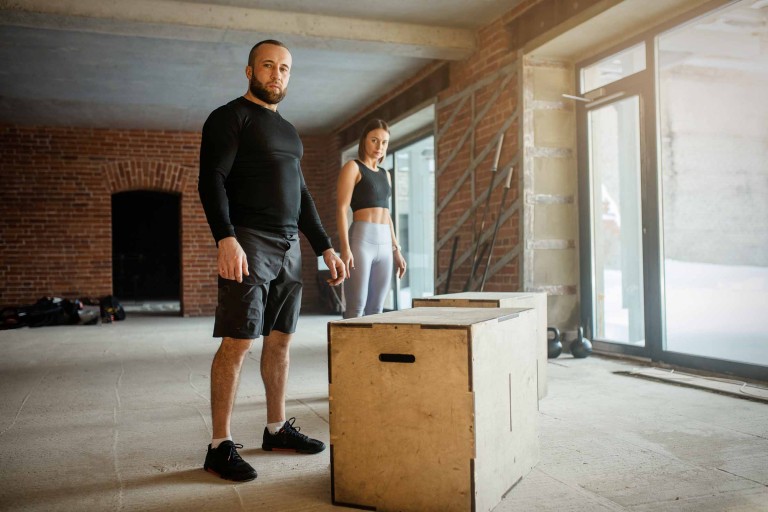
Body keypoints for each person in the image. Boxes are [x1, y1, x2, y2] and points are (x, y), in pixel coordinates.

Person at [197, 39, 345, 482]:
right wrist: (225, 237)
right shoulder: (230, 118)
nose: (277, 74)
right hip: (248, 239)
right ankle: (219, 445)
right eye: (268, 66)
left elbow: (301, 197)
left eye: (284, 68)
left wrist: (324, 246)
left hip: (287, 246)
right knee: (238, 341)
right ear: (249, 71)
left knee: (280, 338)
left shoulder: (289, 131)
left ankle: (276, 428)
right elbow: (212, 180)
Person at [336, 119, 406, 318]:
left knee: (376, 310)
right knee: (356, 307)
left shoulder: (385, 175)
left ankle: (369, 351)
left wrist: (396, 248)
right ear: (364, 141)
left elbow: (387, 214)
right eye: (374, 140)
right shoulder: (353, 167)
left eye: (384, 142)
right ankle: (348, 349)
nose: (379, 146)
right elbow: (341, 209)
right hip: (361, 240)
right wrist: (345, 248)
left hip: (385, 242)